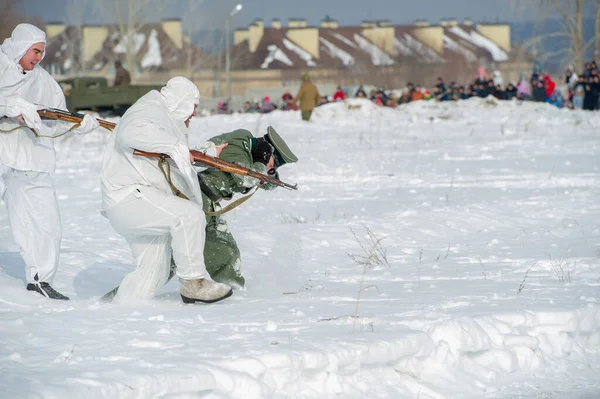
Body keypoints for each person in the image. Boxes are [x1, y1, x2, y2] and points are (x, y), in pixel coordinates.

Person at [100, 76, 232, 304]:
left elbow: (167, 156)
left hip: (141, 201)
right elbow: (131, 132)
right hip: (128, 195)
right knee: (188, 216)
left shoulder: (164, 117)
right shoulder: (150, 108)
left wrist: (205, 154)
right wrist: (175, 147)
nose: (194, 114)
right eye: (193, 108)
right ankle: (194, 284)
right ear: (181, 102)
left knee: (153, 273)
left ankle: (115, 307)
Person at [0, 23, 99, 300]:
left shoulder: (43, 81)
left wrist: (78, 125)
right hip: (4, 157)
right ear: (20, 46)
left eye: (42, 53)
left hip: (31, 161)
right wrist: (9, 107)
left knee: (46, 223)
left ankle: (40, 280)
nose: (38, 58)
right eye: (35, 51)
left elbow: (55, 120)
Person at [196, 126, 298, 287]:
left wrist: (267, 171)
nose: (270, 169)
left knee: (179, 246)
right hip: (199, 195)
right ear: (267, 152)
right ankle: (233, 289)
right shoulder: (238, 145)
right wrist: (260, 163)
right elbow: (246, 179)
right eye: (272, 164)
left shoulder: (250, 152)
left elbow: (264, 181)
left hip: (205, 198)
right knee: (220, 244)